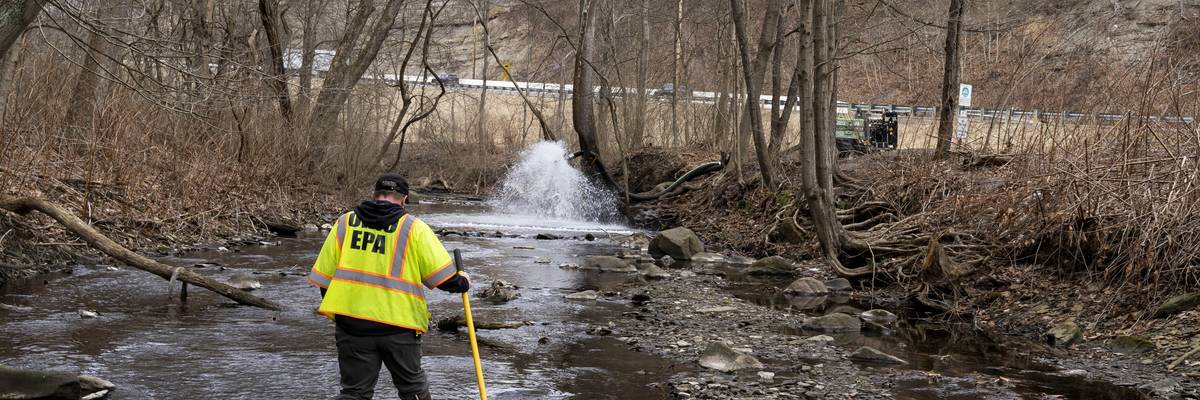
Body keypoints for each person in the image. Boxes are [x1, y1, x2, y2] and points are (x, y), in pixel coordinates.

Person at [308, 173, 470, 400]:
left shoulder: (344, 223)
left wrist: (342, 317)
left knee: (354, 394)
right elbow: (443, 280)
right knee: (413, 392)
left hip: (352, 328)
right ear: (404, 199)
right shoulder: (415, 228)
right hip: (399, 328)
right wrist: (463, 281)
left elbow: (324, 280)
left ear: (374, 195)